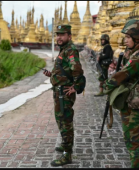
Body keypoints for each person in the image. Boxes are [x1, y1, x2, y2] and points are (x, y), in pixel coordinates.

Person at [103, 19, 139, 168]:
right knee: (135, 142)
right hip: (132, 103)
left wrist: (107, 84)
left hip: (134, 106)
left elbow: (123, 74)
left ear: (137, 38)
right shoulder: (138, 53)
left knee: (133, 142)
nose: (124, 40)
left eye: (127, 37)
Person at [42, 24, 84, 167]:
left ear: (69, 36)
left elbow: (77, 70)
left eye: (62, 34)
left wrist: (76, 87)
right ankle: (65, 144)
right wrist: (51, 74)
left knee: (65, 121)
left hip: (64, 93)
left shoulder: (70, 50)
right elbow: (64, 70)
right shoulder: (64, 50)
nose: (59, 37)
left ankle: (67, 154)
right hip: (58, 91)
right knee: (61, 120)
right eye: (57, 35)